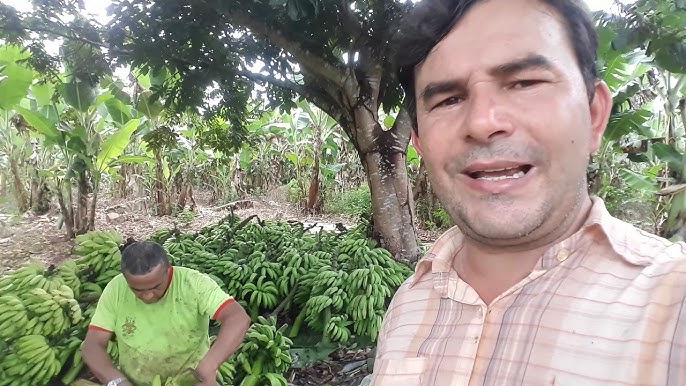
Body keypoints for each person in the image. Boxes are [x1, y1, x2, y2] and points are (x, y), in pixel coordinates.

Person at [372, 0, 686, 385]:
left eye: (524, 83)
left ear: (594, 114)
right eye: (448, 99)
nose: (483, 122)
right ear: (419, 142)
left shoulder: (673, 302)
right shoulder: (409, 304)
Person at [82, 241, 251, 386]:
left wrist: (210, 364)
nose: (148, 295)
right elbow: (93, 345)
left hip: (192, 380)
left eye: (155, 286)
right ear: (126, 279)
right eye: (137, 290)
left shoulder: (193, 284)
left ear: (168, 271)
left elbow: (237, 318)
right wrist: (118, 382)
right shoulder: (116, 289)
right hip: (134, 381)